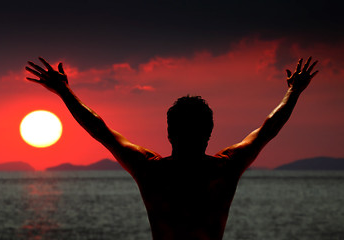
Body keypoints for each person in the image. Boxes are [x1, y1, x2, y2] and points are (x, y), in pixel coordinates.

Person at [25, 57, 318, 240]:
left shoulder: (150, 170)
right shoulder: (225, 168)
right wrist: (293, 90)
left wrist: (63, 90)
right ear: (209, 132)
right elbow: (268, 128)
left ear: (169, 132)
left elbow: (100, 130)